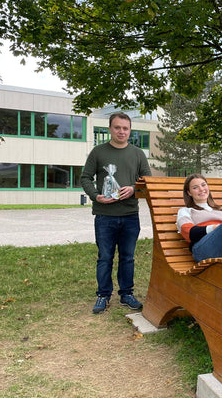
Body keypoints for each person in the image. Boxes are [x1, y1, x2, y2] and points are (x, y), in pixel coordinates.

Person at [81, 112, 152, 314]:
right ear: (110, 128)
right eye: (117, 127)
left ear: (130, 130)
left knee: (128, 257)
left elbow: (147, 180)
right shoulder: (98, 152)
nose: (122, 131)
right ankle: (103, 295)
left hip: (130, 214)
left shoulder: (138, 154)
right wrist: (96, 196)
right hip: (105, 215)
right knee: (105, 257)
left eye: (125, 128)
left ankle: (126, 294)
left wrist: (133, 189)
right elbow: (85, 178)